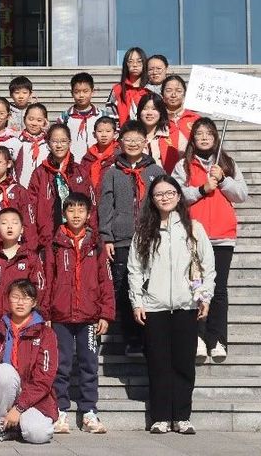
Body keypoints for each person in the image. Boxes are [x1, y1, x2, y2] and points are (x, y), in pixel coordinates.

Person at [128, 175, 215, 435]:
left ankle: (182, 417)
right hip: (154, 306)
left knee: (184, 363)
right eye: (159, 194)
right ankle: (161, 417)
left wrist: (205, 297)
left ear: (178, 196)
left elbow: (207, 266)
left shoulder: (194, 229)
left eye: (169, 193)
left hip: (186, 304)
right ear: (152, 200)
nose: (164, 198)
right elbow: (135, 270)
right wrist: (137, 302)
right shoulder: (144, 231)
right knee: (158, 363)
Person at [173, 117, 248, 363]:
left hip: (223, 235)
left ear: (216, 138)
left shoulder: (227, 163)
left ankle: (217, 339)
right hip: (194, 235)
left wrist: (224, 180)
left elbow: (241, 194)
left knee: (219, 290)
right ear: (192, 139)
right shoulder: (183, 164)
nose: (204, 138)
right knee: (195, 287)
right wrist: (201, 189)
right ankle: (197, 337)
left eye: (209, 134)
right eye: (199, 134)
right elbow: (175, 195)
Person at [43, 194, 114, 435]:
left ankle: (89, 412)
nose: (76, 215)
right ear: (64, 213)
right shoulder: (55, 243)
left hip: (90, 316)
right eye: (71, 210)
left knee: (89, 365)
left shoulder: (96, 244)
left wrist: (105, 314)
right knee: (60, 365)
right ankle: (60, 411)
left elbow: (105, 280)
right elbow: (47, 280)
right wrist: (46, 312)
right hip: (60, 315)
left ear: (88, 214)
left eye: (81, 210)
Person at [99, 120, 164, 357]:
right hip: (122, 239)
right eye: (128, 139)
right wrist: (107, 237)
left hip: (151, 237)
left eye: (137, 139)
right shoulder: (113, 172)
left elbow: (164, 202)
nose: (133, 143)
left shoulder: (156, 172)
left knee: (152, 286)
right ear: (120, 142)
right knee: (126, 287)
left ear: (145, 142)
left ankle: (151, 336)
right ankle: (132, 338)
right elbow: (106, 205)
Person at [0, 279, 57, 444]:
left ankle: (18, 424)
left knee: (38, 434)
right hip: (5, 394)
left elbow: (44, 379)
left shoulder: (45, 333)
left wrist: (19, 408)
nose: (20, 303)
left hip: (34, 399)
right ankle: (0, 423)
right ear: (8, 299)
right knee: (4, 371)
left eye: (26, 298)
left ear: (34, 302)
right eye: (15, 297)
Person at [27, 123, 96, 250]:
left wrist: (93, 235)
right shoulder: (40, 173)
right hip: (47, 238)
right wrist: (33, 240)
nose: (59, 145)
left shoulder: (79, 171)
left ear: (70, 143)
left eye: (63, 141)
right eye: (54, 141)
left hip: (77, 238)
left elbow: (91, 205)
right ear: (48, 143)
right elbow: (30, 207)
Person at [0, 208, 44, 326]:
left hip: (23, 321)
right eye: (4, 223)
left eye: (14, 223)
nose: (9, 226)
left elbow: (38, 288)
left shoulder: (30, 258)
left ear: (22, 229)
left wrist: (34, 313)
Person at [57, 72, 108, 163]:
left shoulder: (103, 116)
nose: (81, 95)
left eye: (85, 91)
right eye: (77, 92)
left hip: (98, 164)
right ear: (72, 93)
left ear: (92, 92)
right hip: (73, 164)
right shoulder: (65, 118)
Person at [105, 47, 150, 126]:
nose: (135, 65)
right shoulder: (117, 89)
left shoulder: (150, 88)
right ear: (126, 64)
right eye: (130, 61)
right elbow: (110, 116)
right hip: (123, 132)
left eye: (139, 61)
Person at [137, 92, 178, 173]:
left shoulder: (174, 134)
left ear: (161, 112)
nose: (149, 113)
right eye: (145, 108)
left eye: (154, 109)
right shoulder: (131, 135)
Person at [162, 75, 200, 162]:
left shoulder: (195, 119)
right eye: (168, 90)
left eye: (178, 91)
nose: (173, 95)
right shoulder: (156, 119)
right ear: (162, 94)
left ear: (184, 95)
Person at [81, 116, 119, 199]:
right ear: (94, 134)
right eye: (100, 131)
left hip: (111, 199)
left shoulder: (119, 156)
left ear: (115, 134)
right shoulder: (88, 156)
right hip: (90, 198)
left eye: (108, 131)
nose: (104, 135)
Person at [13, 103, 50, 189]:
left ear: (45, 122)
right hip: (22, 188)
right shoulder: (16, 141)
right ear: (24, 119)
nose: (34, 123)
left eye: (39, 120)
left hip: (44, 189)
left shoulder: (49, 142)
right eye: (31, 119)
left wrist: (49, 132)